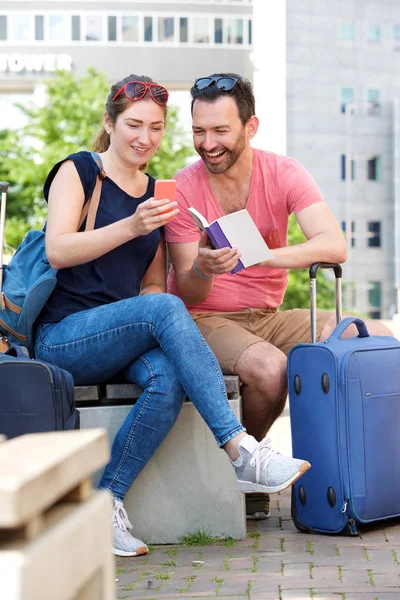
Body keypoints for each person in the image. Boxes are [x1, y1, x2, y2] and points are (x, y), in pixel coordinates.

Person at [34, 74, 311, 558]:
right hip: (64, 337)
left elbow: (148, 285)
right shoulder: (78, 172)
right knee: (165, 307)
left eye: (157, 128)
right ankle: (240, 450)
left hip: (122, 337)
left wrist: (170, 266)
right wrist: (130, 226)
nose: (145, 138)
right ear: (109, 123)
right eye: (134, 125)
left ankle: (106, 501)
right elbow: (57, 250)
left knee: (168, 377)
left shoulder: (157, 194)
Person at [164, 72, 393, 521]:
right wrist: (203, 269)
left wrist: (266, 255)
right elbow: (187, 290)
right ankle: (245, 468)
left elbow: (333, 244)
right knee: (270, 369)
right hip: (205, 317)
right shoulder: (185, 187)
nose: (207, 143)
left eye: (220, 131)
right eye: (198, 131)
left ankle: (360, 470)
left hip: (269, 316)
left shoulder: (284, 172)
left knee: (376, 336)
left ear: (250, 127)